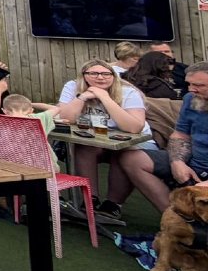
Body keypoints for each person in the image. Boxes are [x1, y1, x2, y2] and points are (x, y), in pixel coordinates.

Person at [56, 59, 149, 224]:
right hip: (95, 140)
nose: (101, 77)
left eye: (106, 74)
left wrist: (105, 98)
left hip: (132, 142)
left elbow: (134, 127)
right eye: (93, 73)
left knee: (123, 153)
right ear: (83, 76)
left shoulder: (127, 92)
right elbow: (64, 118)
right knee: (85, 147)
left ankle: (112, 205)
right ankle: (89, 200)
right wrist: (83, 97)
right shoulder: (73, 86)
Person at [121, 61, 208, 214]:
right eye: (189, 84)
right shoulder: (191, 99)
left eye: (199, 85)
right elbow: (181, 134)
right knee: (132, 159)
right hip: (195, 162)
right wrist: (177, 162)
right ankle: (175, 220)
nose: (191, 89)